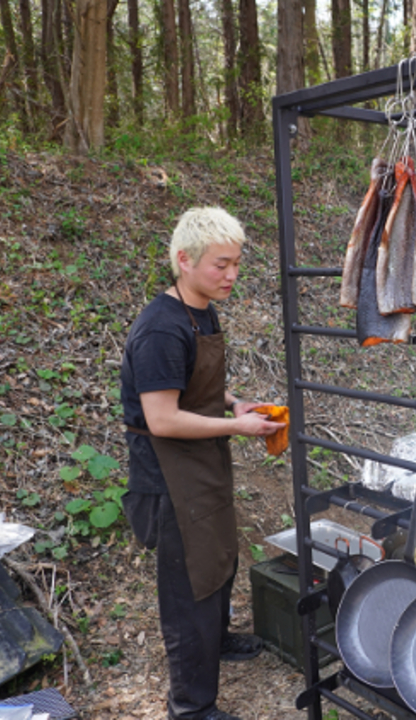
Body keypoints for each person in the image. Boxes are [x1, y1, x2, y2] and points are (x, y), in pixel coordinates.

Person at [119, 207, 286, 720]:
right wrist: (238, 427)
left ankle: (215, 641)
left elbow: (196, 382)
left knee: (218, 560)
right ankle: (191, 707)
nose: (231, 275)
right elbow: (164, 417)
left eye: (236, 264)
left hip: (202, 462)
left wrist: (234, 403)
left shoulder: (201, 310)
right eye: (221, 265)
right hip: (169, 478)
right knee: (187, 585)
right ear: (183, 260)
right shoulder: (160, 331)